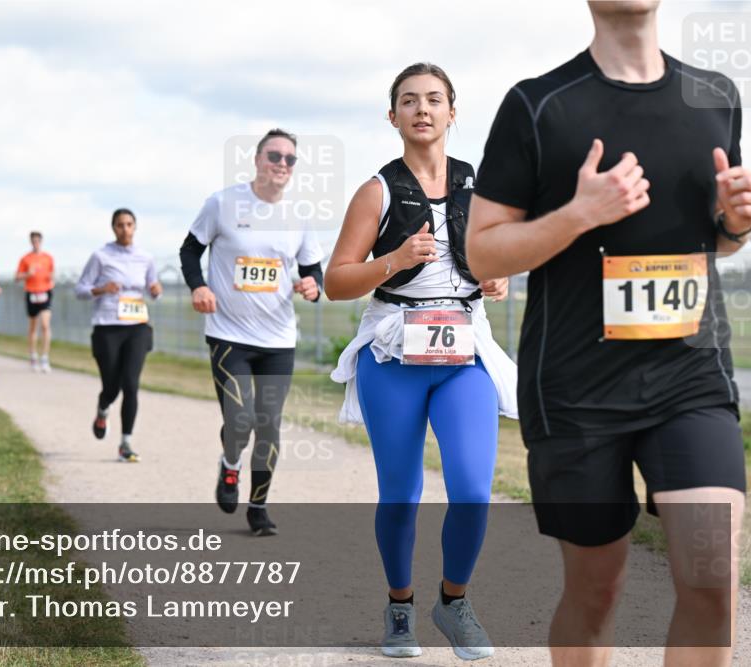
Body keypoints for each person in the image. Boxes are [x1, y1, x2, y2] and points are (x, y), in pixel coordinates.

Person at [466, 2, 747, 665]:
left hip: (690, 375)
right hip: (576, 391)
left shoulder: (715, 97)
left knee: (711, 580)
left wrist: (735, 222)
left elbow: (719, 240)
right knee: (597, 590)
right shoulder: (537, 105)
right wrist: (579, 214)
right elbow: (483, 253)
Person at [326, 64, 517, 660]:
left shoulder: (480, 186)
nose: (422, 109)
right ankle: (400, 607)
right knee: (401, 493)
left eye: (434, 100)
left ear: (453, 113)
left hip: (464, 351)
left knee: (471, 489)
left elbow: (498, 257)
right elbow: (336, 281)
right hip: (393, 351)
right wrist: (396, 257)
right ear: (393, 117)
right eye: (409, 101)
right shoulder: (375, 192)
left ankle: (453, 601)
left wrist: (497, 277)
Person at [179, 128, 324, 536]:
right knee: (240, 420)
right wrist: (199, 285)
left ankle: (258, 508)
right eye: (274, 156)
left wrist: (313, 286)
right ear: (257, 160)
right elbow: (190, 249)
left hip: (278, 340)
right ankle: (230, 466)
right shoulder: (223, 203)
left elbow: (313, 269)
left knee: (269, 424)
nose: (281, 164)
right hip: (229, 335)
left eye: (289, 159)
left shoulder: (298, 216)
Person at [75, 209, 162, 462]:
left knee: (131, 385)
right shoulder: (101, 257)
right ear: (113, 228)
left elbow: (154, 289)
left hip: (137, 326)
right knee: (111, 387)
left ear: (135, 227)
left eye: (129, 224)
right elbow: (79, 290)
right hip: (107, 327)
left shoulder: (145, 258)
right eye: (120, 225)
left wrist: (156, 290)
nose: (125, 229)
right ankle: (103, 410)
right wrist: (101, 289)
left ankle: (126, 443)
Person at [16, 231, 55, 373]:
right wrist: (28, 274)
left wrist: (51, 280)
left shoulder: (48, 258)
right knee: (33, 327)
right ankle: (33, 356)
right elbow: (17, 277)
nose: (35, 243)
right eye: (33, 240)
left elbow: (52, 274)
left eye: (38, 240)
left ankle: (44, 357)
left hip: (45, 292)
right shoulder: (25, 259)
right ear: (30, 242)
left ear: (41, 241)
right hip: (31, 293)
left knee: (45, 325)